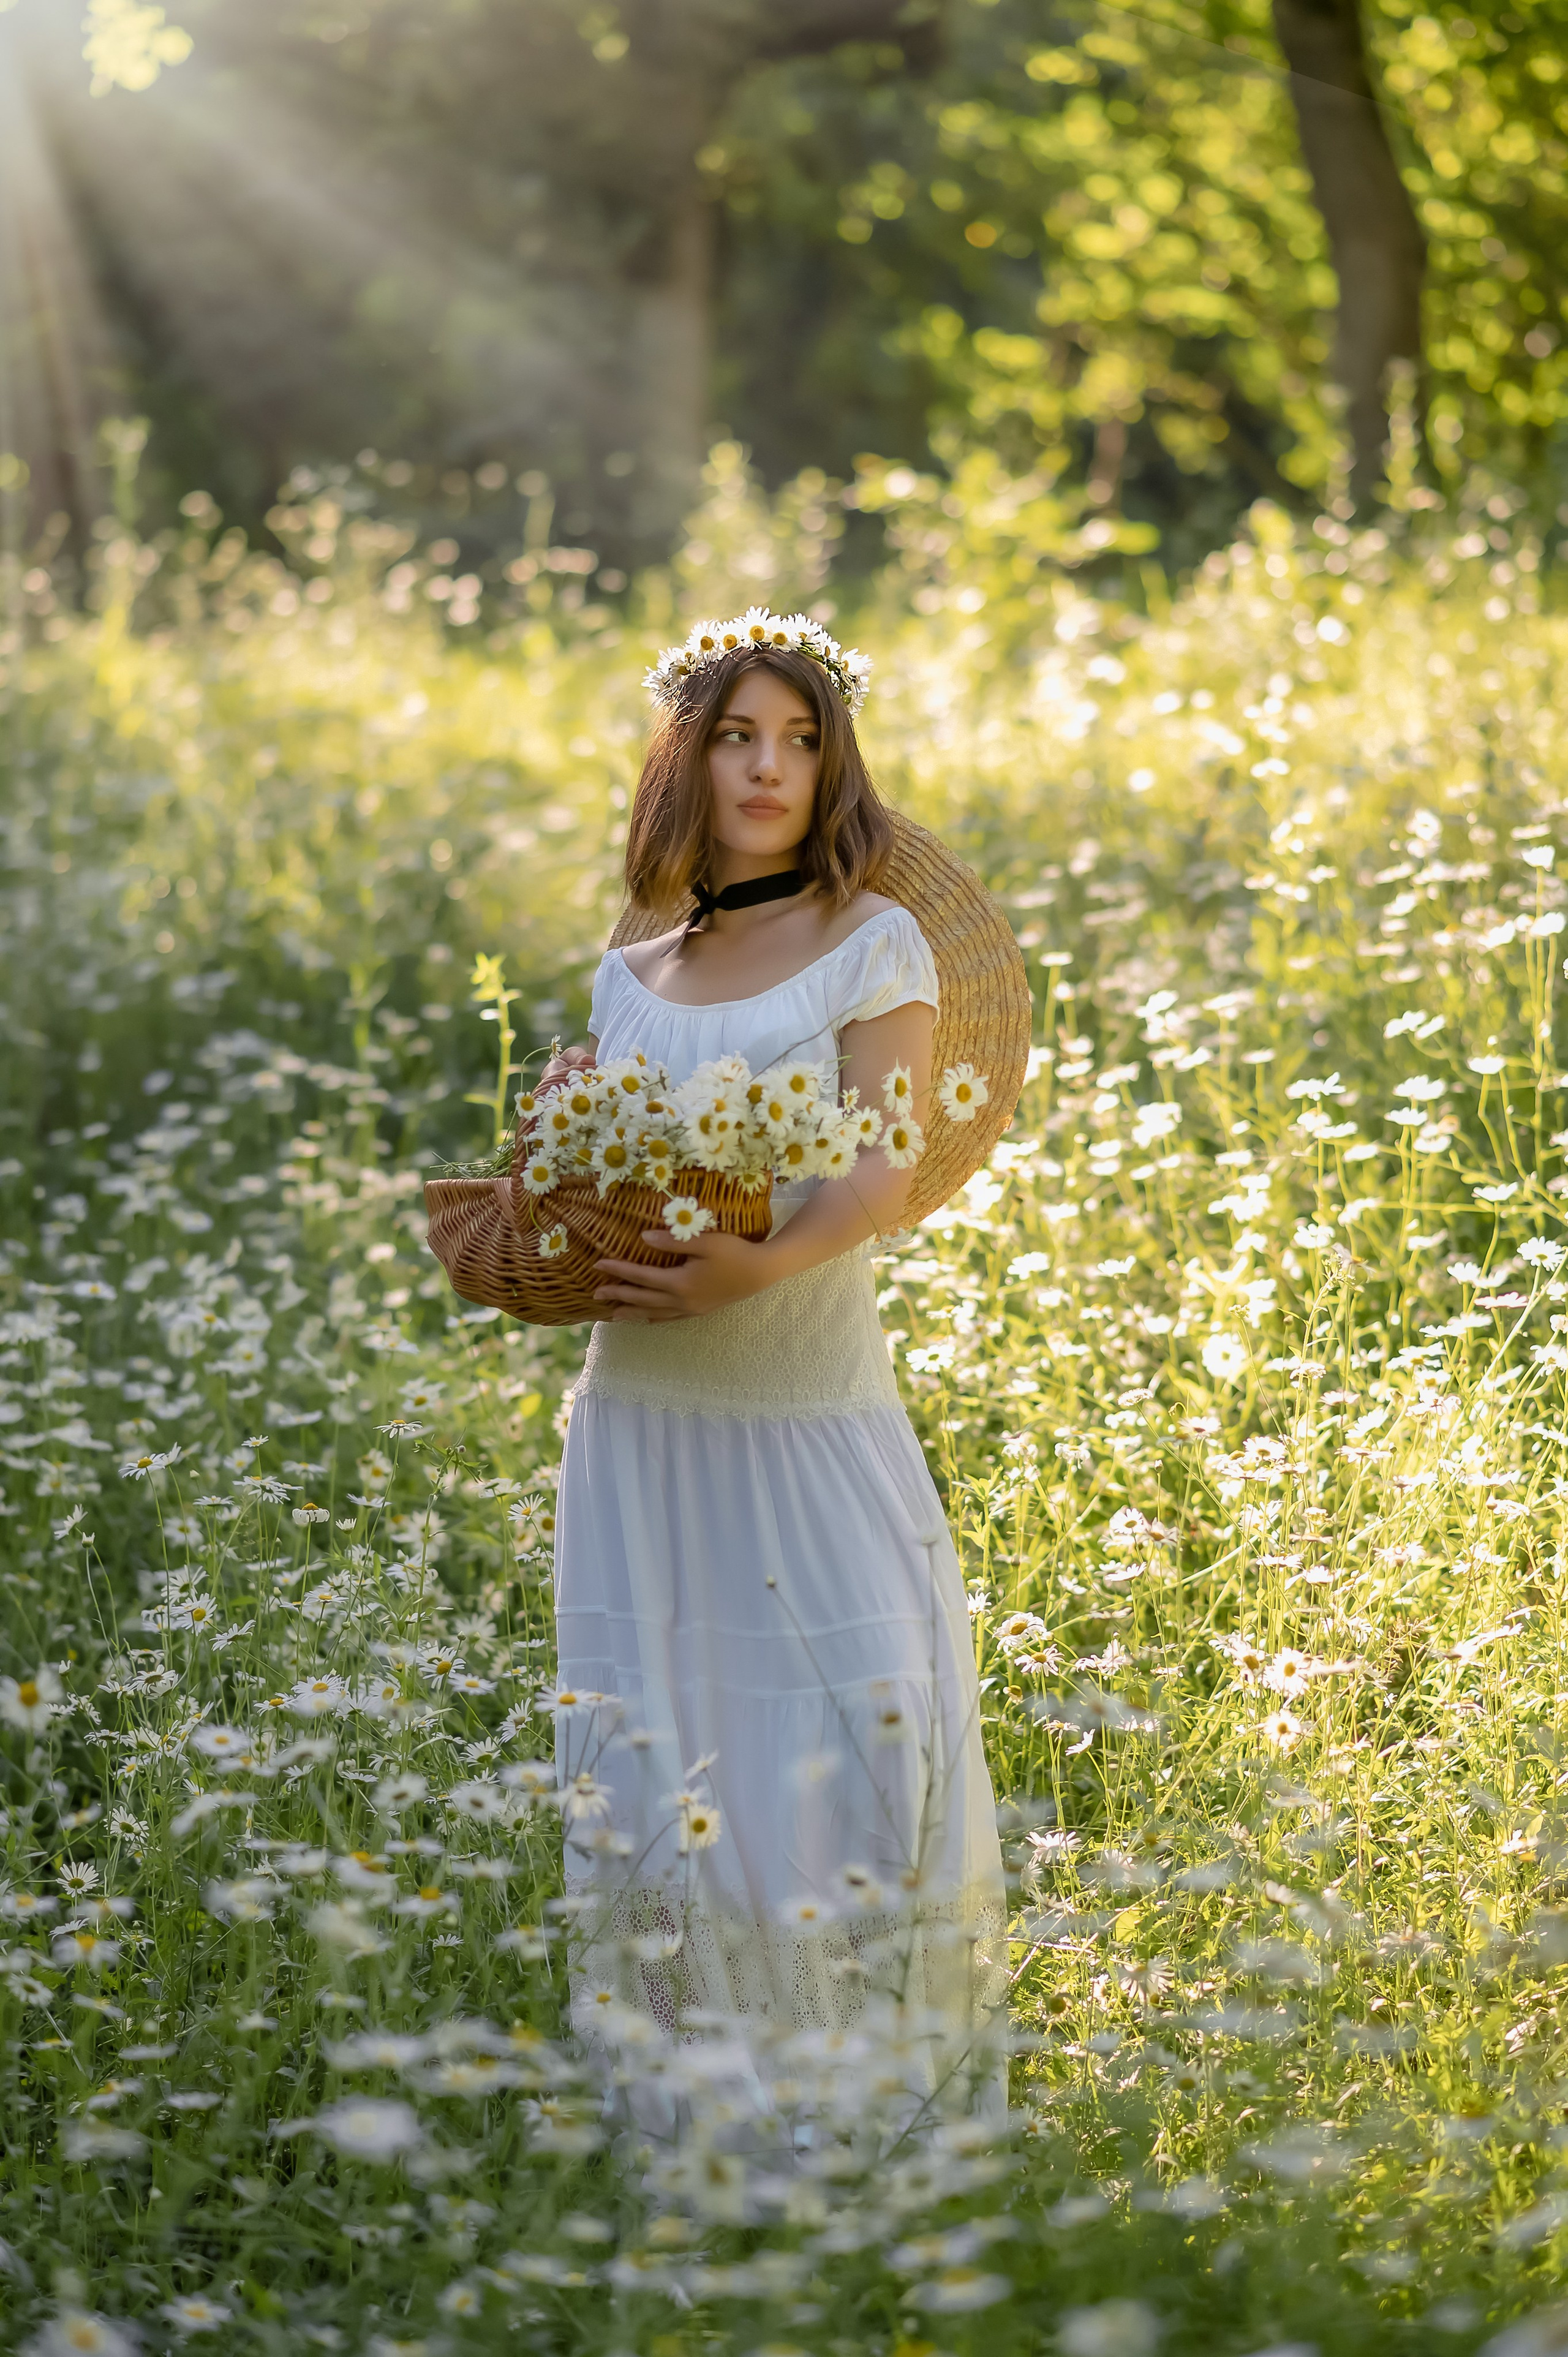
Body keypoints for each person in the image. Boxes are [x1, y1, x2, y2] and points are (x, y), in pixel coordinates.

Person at [535, 611, 1007, 2127]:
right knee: (659, 1734)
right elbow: (615, 1167)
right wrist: (562, 1138)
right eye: (738, 735)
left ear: (833, 762)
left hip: (798, 1390)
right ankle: (683, 2095)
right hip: (643, 1403)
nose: (769, 767)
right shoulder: (635, 960)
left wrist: (760, 1261)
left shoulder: (875, 943)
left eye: (799, 740)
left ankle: (849, 2091)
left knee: (835, 1711)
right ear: (689, 752)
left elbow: (883, 1169)